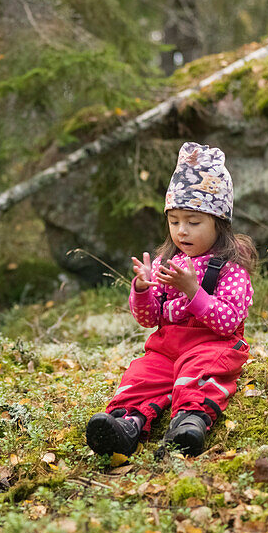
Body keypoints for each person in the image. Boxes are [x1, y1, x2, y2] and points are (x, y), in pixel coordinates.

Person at [85, 142, 257, 458]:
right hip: (167, 348)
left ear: (219, 222)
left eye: (193, 222)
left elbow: (229, 321)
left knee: (200, 371)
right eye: (174, 220)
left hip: (212, 344)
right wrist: (141, 289)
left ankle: (188, 424)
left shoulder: (231, 267)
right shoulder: (169, 261)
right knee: (142, 373)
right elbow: (151, 319)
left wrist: (193, 291)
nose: (182, 231)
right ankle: (125, 425)